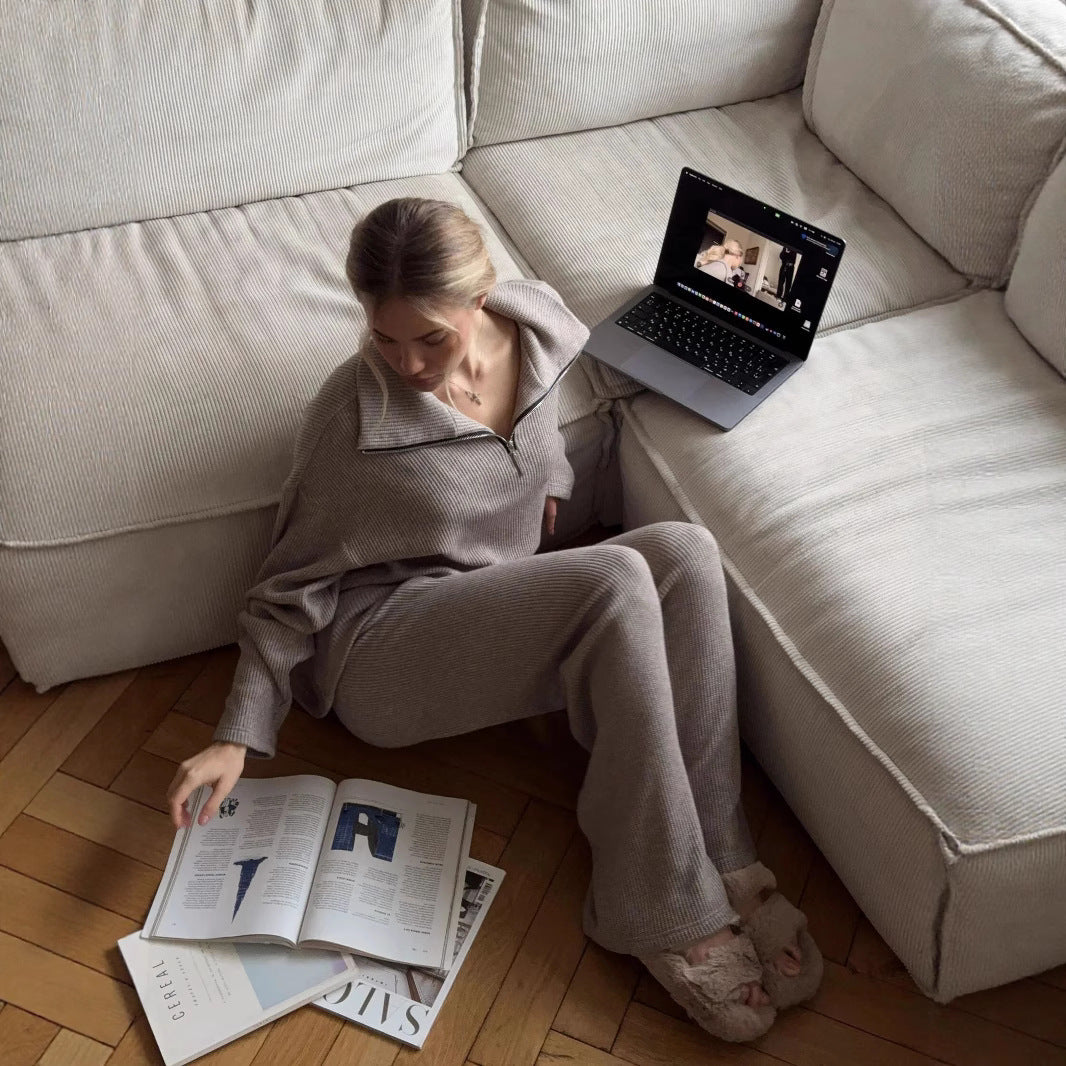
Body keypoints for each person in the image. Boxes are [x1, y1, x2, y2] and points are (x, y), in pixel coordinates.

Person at [165, 197, 823, 1042]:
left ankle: (728, 862)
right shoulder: (351, 416)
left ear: (482, 299)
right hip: (385, 651)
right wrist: (238, 734)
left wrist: (544, 496)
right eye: (383, 337)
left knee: (686, 553)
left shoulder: (540, 329)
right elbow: (285, 589)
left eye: (430, 338)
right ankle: (658, 910)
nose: (406, 362)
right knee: (616, 575)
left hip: (488, 606)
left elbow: (541, 449)